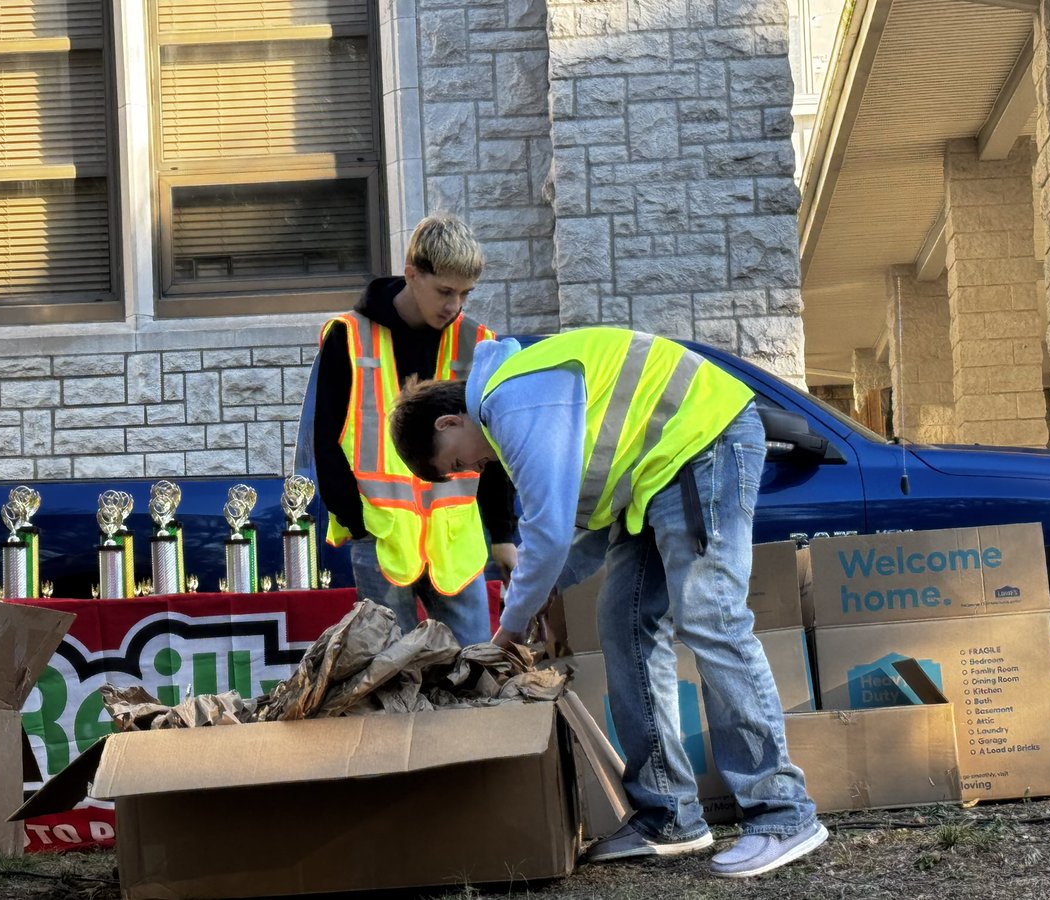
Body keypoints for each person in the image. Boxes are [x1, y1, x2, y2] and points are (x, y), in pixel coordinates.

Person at [387, 327, 827, 878]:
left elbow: (545, 534)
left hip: (703, 444)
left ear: (447, 422)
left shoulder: (508, 400)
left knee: (711, 618)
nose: (473, 470)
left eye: (456, 464)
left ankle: (783, 813)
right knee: (621, 624)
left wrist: (510, 629)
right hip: (656, 476)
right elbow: (583, 533)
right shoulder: (525, 397)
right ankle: (669, 814)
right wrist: (548, 587)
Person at [311, 214, 517, 647]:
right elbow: (326, 443)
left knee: (476, 673)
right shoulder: (348, 337)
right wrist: (357, 521)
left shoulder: (479, 342)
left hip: (456, 542)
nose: (454, 305)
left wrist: (502, 534)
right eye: (445, 291)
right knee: (392, 680)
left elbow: (495, 443)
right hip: (382, 540)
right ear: (412, 275)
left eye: (465, 293)